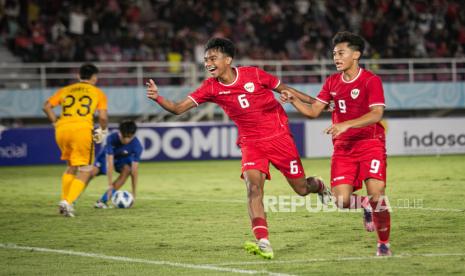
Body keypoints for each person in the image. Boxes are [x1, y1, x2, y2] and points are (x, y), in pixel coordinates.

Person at [146, 37, 332, 259]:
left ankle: (319, 186)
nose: (208, 63)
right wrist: (158, 98)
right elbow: (177, 109)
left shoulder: (253, 74)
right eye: (205, 60)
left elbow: (286, 88)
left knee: (302, 189)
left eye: (213, 58)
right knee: (253, 189)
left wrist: (318, 104)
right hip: (251, 143)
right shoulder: (210, 88)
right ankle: (263, 240)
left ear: (228, 59)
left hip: (279, 137)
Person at [281, 31, 392, 256]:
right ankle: (364, 205)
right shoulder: (332, 81)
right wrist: (293, 101)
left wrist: (347, 124)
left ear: (356, 55)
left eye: (341, 53)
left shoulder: (371, 80)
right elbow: (313, 111)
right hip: (343, 148)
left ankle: (383, 244)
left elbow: (376, 114)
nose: (336, 58)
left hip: (370, 142)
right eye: (334, 54)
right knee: (341, 201)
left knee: (377, 193)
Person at [43, 63, 108, 217]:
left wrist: (55, 123)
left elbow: (46, 106)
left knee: (71, 166)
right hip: (81, 130)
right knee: (86, 170)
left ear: (79, 76)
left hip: (62, 129)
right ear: (94, 78)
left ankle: (64, 201)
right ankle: (68, 202)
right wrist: (103, 130)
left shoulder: (66, 90)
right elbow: (103, 117)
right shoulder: (97, 92)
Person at [93, 120, 143, 208]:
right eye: (124, 137)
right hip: (105, 158)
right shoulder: (111, 139)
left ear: (133, 135)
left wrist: (134, 193)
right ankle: (71, 199)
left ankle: (102, 201)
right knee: (92, 173)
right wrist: (109, 185)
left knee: (128, 169)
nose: (126, 140)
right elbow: (110, 164)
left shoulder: (137, 146)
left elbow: (134, 171)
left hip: (121, 159)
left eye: (129, 137)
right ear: (119, 132)